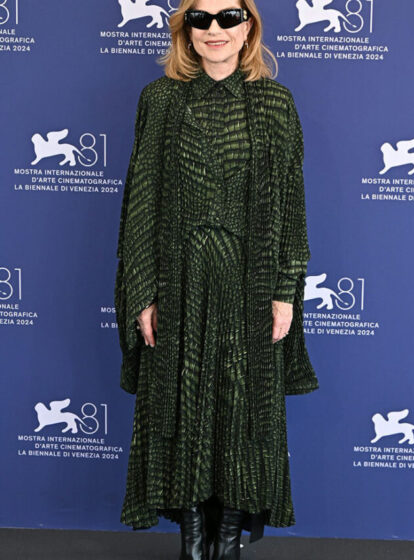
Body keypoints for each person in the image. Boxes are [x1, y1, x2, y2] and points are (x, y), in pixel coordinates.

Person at [114, 1, 320, 558]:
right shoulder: (159, 100)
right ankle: (193, 542)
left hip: (250, 287)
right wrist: (142, 291)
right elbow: (142, 201)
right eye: (200, 19)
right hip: (178, 283)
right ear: (185, 29)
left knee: (241, 409)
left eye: (229, 17)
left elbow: (291, 207)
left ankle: (227, 539)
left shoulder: (275, 103)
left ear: (248, 26)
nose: (214, 30)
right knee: (180, 407)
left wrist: (284, 291)